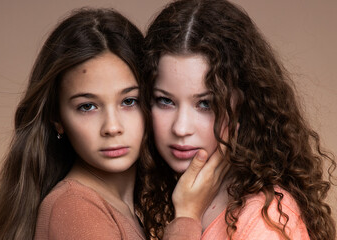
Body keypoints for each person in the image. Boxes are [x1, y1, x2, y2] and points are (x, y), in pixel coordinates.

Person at [0, 7, 227, 240]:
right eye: (87, 106)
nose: (112, 127)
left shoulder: (122, 207)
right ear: (57, 119)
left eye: (129, 101)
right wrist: (186, 217)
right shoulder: (74, 208)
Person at [140, 0, 336, 239]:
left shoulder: (266, 221)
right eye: (165, 101)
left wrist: (186, 218)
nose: (180, 128)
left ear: (245, 105)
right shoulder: (182, 200)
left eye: (206, 104)